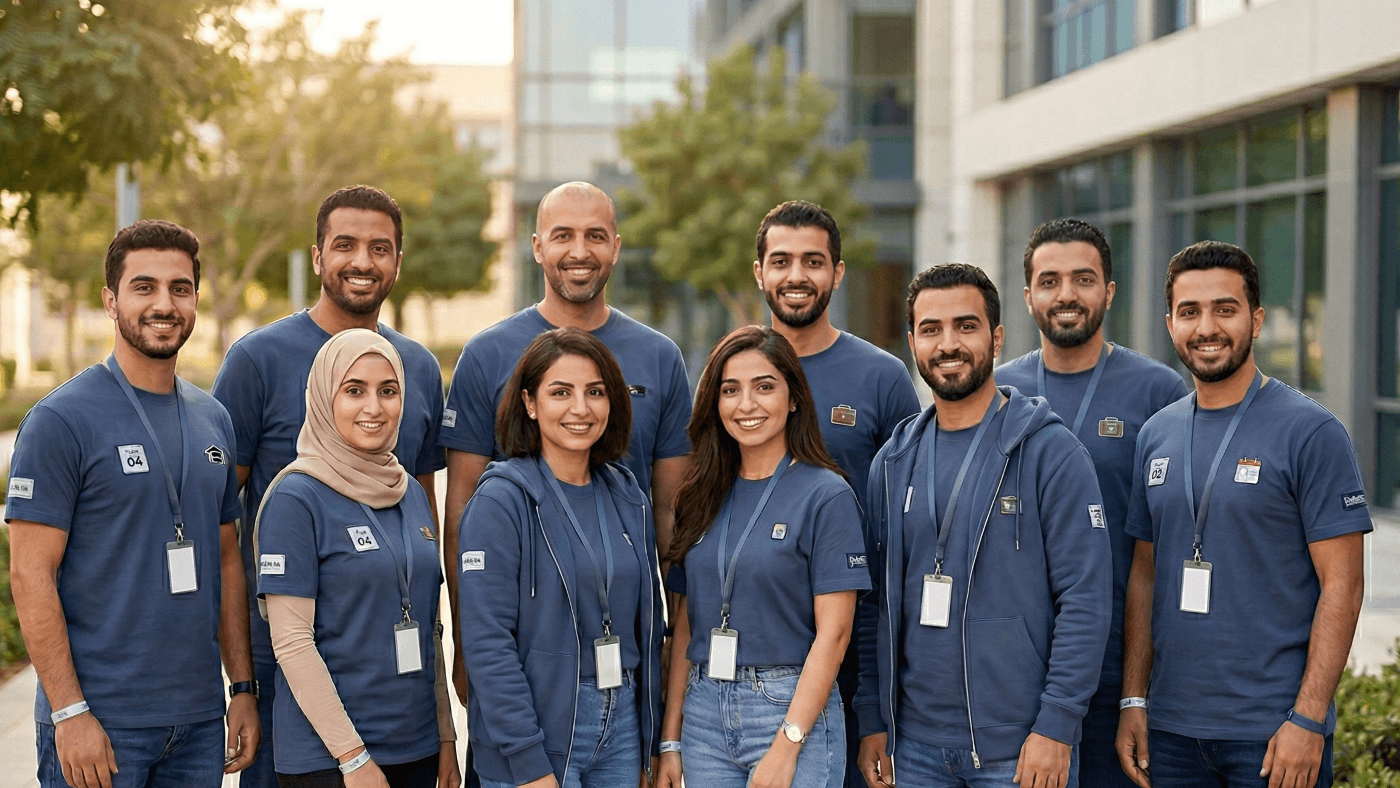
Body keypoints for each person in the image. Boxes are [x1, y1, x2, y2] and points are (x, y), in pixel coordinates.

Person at [8, 220, 259, 788]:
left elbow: (225, 560)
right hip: (101, 721)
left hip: (197, 723)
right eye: (144, 287)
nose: (163, 304)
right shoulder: (59, 421)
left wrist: (240, 688)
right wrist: (70, 712)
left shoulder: (212, 418)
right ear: (110, 299)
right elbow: (29, 572)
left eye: (180, 288)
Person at [214, 185, 447, 788]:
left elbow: (418, 517)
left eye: (380, 248)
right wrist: (240, 680)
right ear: (317, 257)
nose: (362, 261)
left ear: (399, 259)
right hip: (287, 666)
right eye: (344, 245)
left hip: (398, 694)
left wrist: (442, 713)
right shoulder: (257, 360)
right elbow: (219, 530)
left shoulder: (417, 367)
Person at [1116, 241, 1370, 788]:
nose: (1207, 327)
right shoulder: (1156, 434)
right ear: (1170, 324)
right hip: (1172, 731)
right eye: (1190, 312)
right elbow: (1144, 573)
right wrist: (1134, 698)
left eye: (1224, 309)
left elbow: (1343, 584)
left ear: (1255, 320)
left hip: (1273, 734)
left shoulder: (1312, 432)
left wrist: (1309, 718)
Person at [439, 182, 690, 725]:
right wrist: (465, 641)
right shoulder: (488, 354)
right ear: (536, 247)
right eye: (563, 236)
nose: (579, 251)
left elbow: (672, 513)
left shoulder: (660, 357)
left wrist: (674, 632)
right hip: (521, 647)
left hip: (624, 647)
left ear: (616, 247)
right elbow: (459, 512)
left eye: (595, 236)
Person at [855, 263, 1111, 788]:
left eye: (965, 326)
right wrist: (874, 717)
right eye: (931, 329)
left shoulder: (1050, 452)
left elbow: (1085, 599)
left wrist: (1057, 727)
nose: (948, 344)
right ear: (912, 343)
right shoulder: (893, 459)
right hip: (914, 748)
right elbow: (872, 603)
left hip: (1018, 748)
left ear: (996, 338)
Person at [995, 218, 1187, 787]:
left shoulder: (1159, 393)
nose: (1067, 294)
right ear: (1028, 296)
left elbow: (1173, 546)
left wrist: (1138, 691)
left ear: (1109, 291)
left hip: (1118, 670)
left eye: (1084, 278)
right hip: (1015, 674)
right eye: (1049, 280)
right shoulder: (997, 393)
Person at [752, 200, 920, 788]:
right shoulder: (738, 374)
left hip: (860, 644)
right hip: (755, 642)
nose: (796, 276)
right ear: (759, 273)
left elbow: (909, 521)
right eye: (781, 261)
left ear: (838, 272)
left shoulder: (882, 377)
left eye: (812, 261)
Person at [656, 325, 870, 788]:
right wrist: (670, 740)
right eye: (730, 390)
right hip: (704, 713)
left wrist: (788, 742)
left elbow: (835, 634)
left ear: (794, 398)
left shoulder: (826, 495)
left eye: (764, 386)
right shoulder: (700, 494)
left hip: (790, 709)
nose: (746, 404)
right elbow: (686, 624)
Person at [456, 328, 664, 788]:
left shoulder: (626, 491)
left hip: (623, 723)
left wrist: (651, 740)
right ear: (530, 403)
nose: (580, 408)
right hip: (540, 725)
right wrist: (527, 762)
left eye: (595, 392)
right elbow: (489, 644)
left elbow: (647, 623)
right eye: (560, 392)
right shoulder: (500, 501)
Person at [254, 329, 457, 788]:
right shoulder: (296, 497)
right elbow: (291, 644)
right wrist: (353, 760)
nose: (374, 407)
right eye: (354, 390)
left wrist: (445, 737)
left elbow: (429, 627)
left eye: (388, 391)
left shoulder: (410, 492)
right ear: (325, 397)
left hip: (418, 748)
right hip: (330, 761)